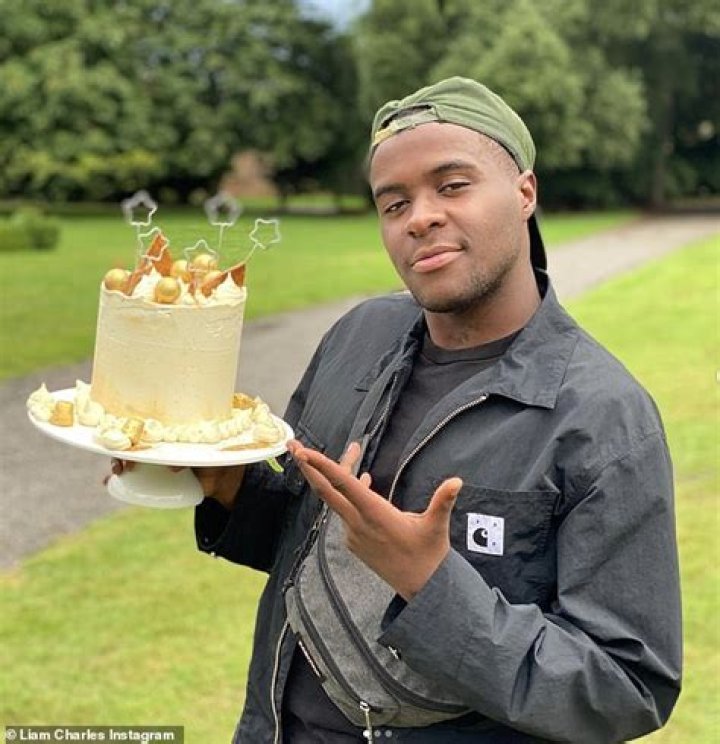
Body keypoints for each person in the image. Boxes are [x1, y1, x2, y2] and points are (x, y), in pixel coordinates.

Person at [163, 77, 682, 742]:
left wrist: (431, 584)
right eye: (394, 203)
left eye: (453, 185)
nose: (420, 217)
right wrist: (228, 486)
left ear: (525, 192)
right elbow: (306, 548)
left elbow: (627, 687)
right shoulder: (357, 338)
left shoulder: (602, 417)